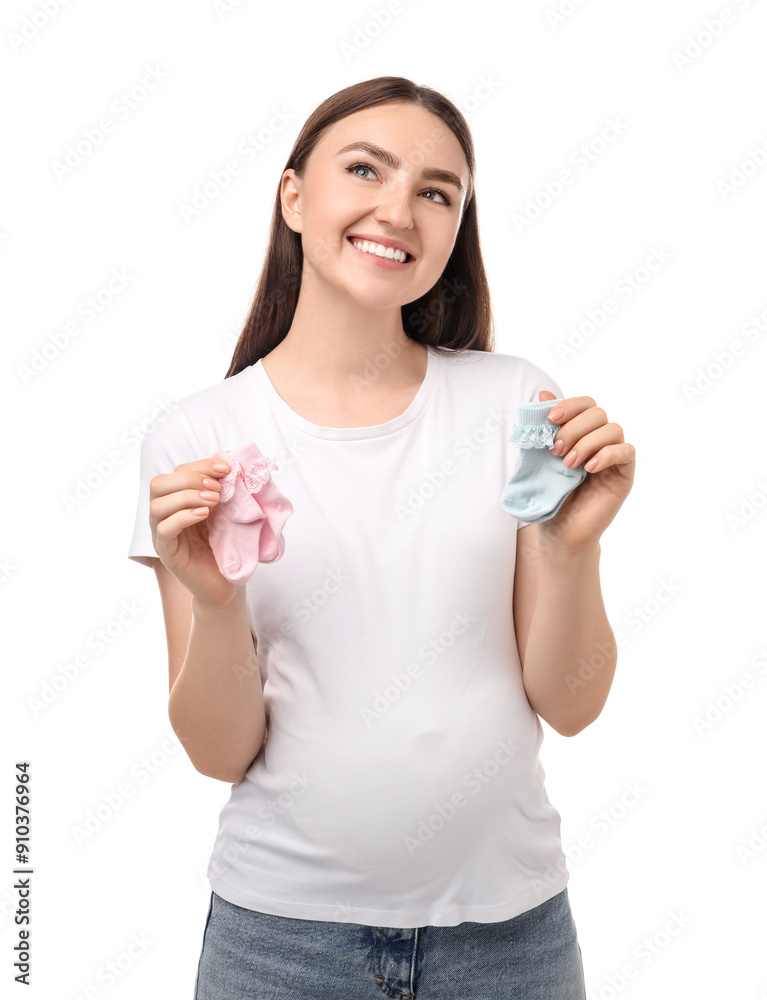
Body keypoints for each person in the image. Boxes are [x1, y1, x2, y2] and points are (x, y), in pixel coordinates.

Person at [127, 75, 635, 1000]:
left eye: (436, 192)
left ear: (454, 229)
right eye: (365, 169)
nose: (398, 209)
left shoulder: (516, 403)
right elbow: (217, 752)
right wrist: (215, 597)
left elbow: (570, 704)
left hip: (508, 944)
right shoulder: (196, 440)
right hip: (280, 948)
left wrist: (571, 548)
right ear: (293, 196)